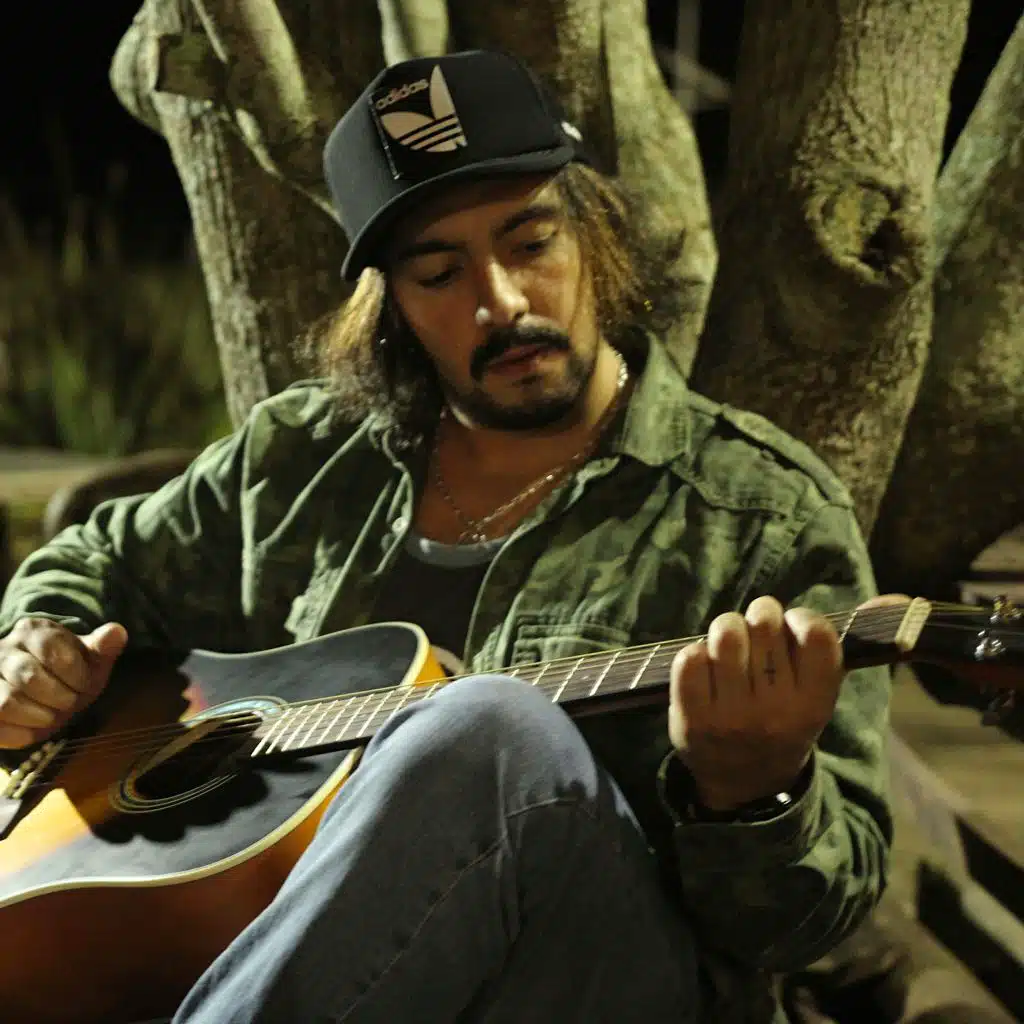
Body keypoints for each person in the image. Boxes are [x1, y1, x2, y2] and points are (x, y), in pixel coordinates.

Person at [0, 50, 892, 1024]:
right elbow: (97, 560)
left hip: (595, 987)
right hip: (299, 974)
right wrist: (41, 645)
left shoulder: (758, 512)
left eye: (531, 242)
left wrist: (753, 796)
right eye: (438, 272)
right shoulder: (303, 458)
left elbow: (813, 923)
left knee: (491, 727)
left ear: (594, 235)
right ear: (391, 303)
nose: (501, 302)